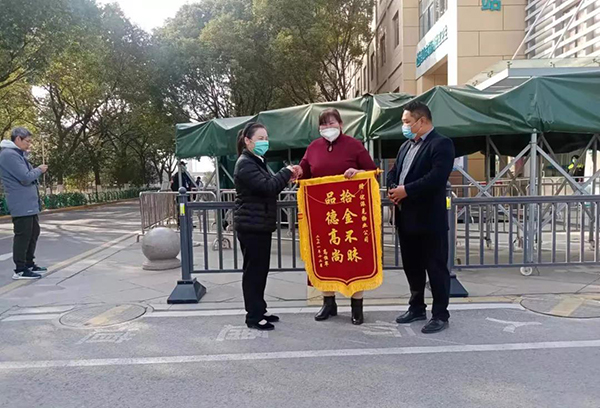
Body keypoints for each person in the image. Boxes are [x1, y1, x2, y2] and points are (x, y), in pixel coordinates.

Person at [297, 108, 377, 325]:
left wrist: (358, 173)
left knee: (354, 257)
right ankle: (328, 303)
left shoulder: (354, 145)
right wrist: (296, 171)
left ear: (341, 125)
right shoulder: (313, 147)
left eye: (331, 123)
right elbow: (304, 171)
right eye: (323, 124)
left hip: (350, 215)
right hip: (323, 215)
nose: (327, 128)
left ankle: (356, 306)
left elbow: (372, 171)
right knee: (325, 255)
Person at [387, 101, 455, 334]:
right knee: (412, 266)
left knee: (435, 268)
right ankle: (416, 307)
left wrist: (406, 191)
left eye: (407, 122)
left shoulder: (441, 144)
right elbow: (394, 171)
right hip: (405, 218)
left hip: (429, 220)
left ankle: (440, 314)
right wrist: (393, 188)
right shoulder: (405, 146)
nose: (404, 126)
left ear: (422, 121)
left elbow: (436, 177)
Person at [234, 122, 301, 331]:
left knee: (260, 271)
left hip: (259, 224)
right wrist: (286, 172)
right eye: (260, 138)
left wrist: (284, 176)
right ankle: (253, 316)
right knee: (254, 272)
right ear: (248, 141)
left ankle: (260, 310)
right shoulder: (245, 163)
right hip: (251, 226)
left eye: (266, 138)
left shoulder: (256, 161)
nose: (265, 142)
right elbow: (267, 187)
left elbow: (269, 185)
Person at [0, 127, 49, 280]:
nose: (29, 144)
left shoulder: (17, 154)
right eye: (27, 141)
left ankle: (29, 264)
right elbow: (25, 177)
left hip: (29, 204)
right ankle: (20, 270)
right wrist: (39, 170)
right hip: (21, 203)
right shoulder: (8, 155)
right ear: (18, 139)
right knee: (23, 235)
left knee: (33, 232)